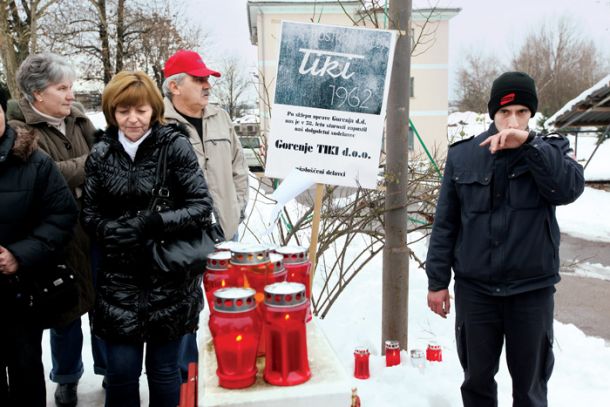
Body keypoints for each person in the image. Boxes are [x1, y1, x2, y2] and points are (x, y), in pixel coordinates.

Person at [425, 71, 585, 407]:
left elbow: (567, 189)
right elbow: (445, 224)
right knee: (477, 382)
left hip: (530, 293)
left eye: (522, 112)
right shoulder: (464, 155)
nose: (513, 121)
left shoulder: (550, 150)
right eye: (505, 113)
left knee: (530, 387)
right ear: (492, 114)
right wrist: (437, 281)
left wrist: (530, 146)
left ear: (532, 114)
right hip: (476, 293)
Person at [82, 71, 213, 407]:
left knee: (164, 370)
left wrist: (152, 223)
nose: (133, 119)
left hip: (167, 275)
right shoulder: (101, 154)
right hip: (119, 280)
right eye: (123, 111)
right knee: (121, 373)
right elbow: (90, 214)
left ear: (153, 110)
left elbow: (200, 207)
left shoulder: (175, 147)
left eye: (140, 110)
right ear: (112, 112)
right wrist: (113, 230)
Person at [7, 52, 97, 407]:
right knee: (66, 313)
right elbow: (52, 176)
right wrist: (90, 164)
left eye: (71, 87)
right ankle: (67, 377)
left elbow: (102, 160)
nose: (71, 95)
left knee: (102, 304)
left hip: (94, 227)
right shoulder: (21, 131)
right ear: (37, 93)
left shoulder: (78, 119)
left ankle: (106, 369)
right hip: (58, 237)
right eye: (62, 88)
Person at [161, 49, 249, 381]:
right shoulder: (159, 124)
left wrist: (236, 208)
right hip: (182, 239)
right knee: (185, 312)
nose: (206, 84)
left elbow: (239, 167)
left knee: (228, 307)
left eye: (207, 79)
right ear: (174, 87)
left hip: (225, 233)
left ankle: (229, 370)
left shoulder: (221, 118)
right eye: (198, 79)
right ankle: (189, 381)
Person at [0, 87, 79, 406]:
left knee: (25, 371)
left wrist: (19, 255)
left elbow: (62, 216)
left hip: (22, 292)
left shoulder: (34, 160)